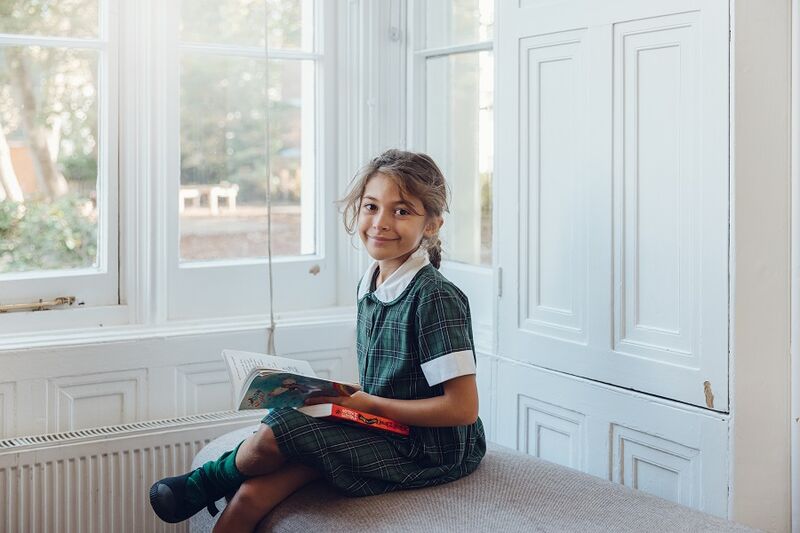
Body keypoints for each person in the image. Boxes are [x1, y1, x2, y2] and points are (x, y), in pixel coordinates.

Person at [149, 149, 486, 532]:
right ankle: (213, 482)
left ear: (431, 224)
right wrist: (341, 396)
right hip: (386, 424)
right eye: (371, 206)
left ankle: (206, 481)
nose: (380, 222)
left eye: (402, 211)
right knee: (252, 493)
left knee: (281, 431)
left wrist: (365, 401)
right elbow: (396, 382)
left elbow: (463, 409)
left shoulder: (435, 297)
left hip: (430, 448)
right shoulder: (373, 281)